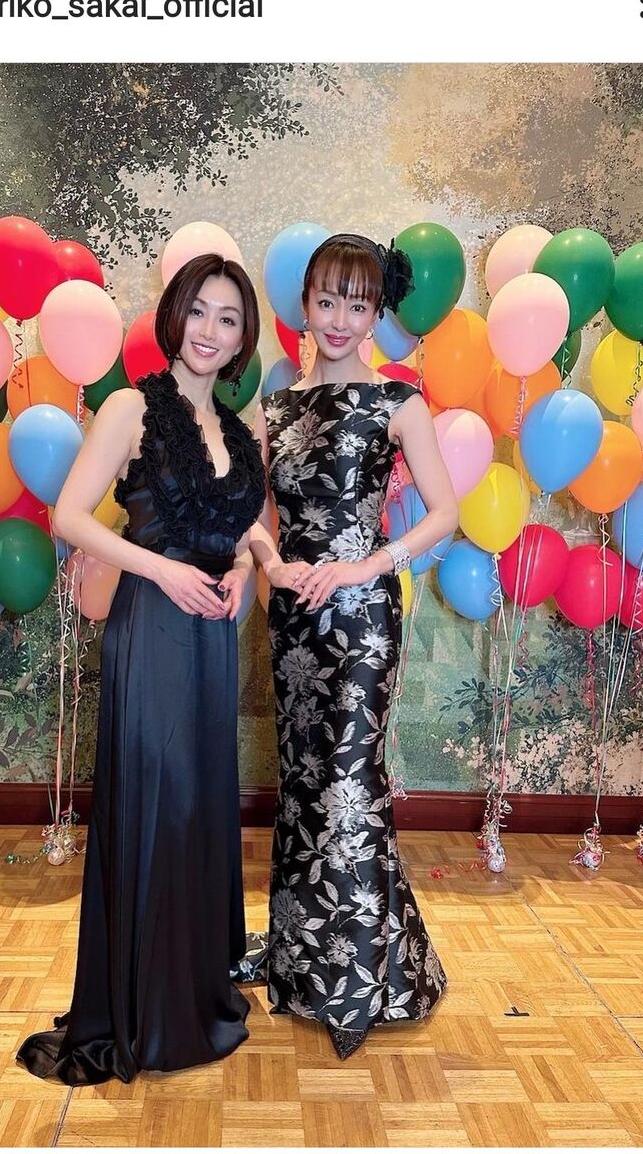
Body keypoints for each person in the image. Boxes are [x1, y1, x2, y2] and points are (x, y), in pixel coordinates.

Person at [17, 253, 266, 1085]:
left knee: (197, 809)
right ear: (174, 316)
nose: (209, 330)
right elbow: (69, 516)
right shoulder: (131, 406)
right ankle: (141, 1009)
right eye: (198, 311)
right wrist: (159, 569)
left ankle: (190, 994)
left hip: (211, 637)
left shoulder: (237, 430)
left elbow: (241, 530)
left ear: (243, 336)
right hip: (153, 627)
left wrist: (243, 568)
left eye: (228, 318)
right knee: (158, 802)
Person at [250, 233, 458, 1058]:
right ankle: (303, 963)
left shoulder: (398, 402)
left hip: (364, 617)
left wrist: (370, 563)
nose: (340, 318)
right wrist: (274, 563)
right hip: (294, 616)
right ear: (304, 305)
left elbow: (444, 513)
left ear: (377, 314)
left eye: (358, 304)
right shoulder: (274, 407)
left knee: (349, 784)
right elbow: (255, 518)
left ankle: (367, 979)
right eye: (327, 300)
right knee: (303, 784)